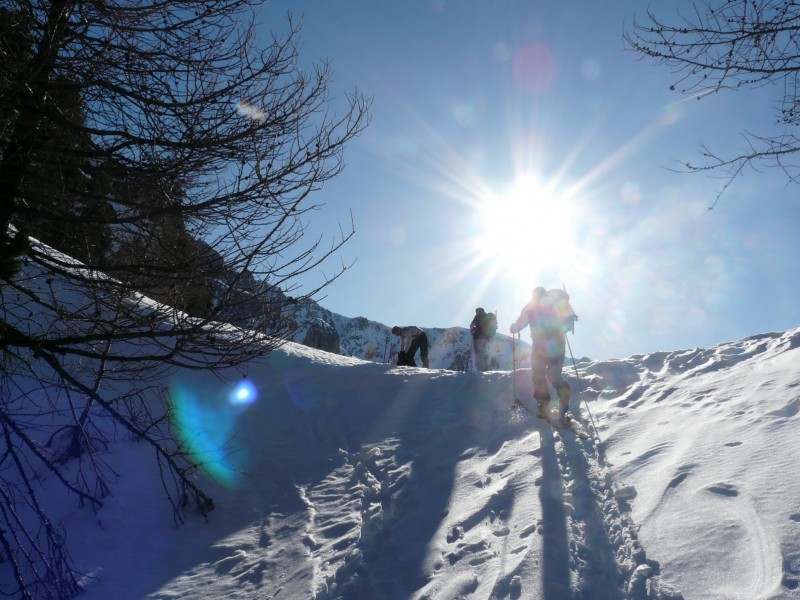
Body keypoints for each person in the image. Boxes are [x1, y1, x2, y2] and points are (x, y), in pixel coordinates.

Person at [510, 287, 577, 425]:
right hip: (557, 344)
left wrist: (514, 327)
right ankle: (563, 399)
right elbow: (565, 320)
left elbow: (521, 321)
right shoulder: (552, 302)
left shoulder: (530, 306)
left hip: (540, 346)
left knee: (538, 374)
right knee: (553, 374)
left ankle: (543, 404)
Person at [470, 307, 496, 371]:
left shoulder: (478, 316)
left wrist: (473, 330)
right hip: (487, 338)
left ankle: (481, 371)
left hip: (479, 337)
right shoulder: (487, 317)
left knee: (479, 354)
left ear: (478, 311)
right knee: (485, 354)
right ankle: (486, 369)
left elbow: (471, 325)